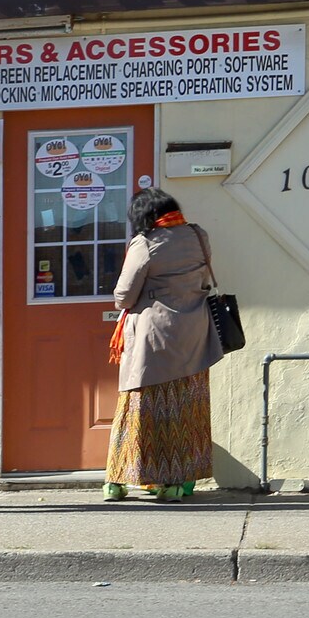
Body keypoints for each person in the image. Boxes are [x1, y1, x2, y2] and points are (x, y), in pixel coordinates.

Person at [105, 185, 222, 502]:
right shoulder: (199, 236)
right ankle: (178, 482)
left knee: (140, 407)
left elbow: (123, 296)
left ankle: (119, 481)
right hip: (195, 334)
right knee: (187, 408)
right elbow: (202, 281)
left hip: (154, 338)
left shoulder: (145, 244)